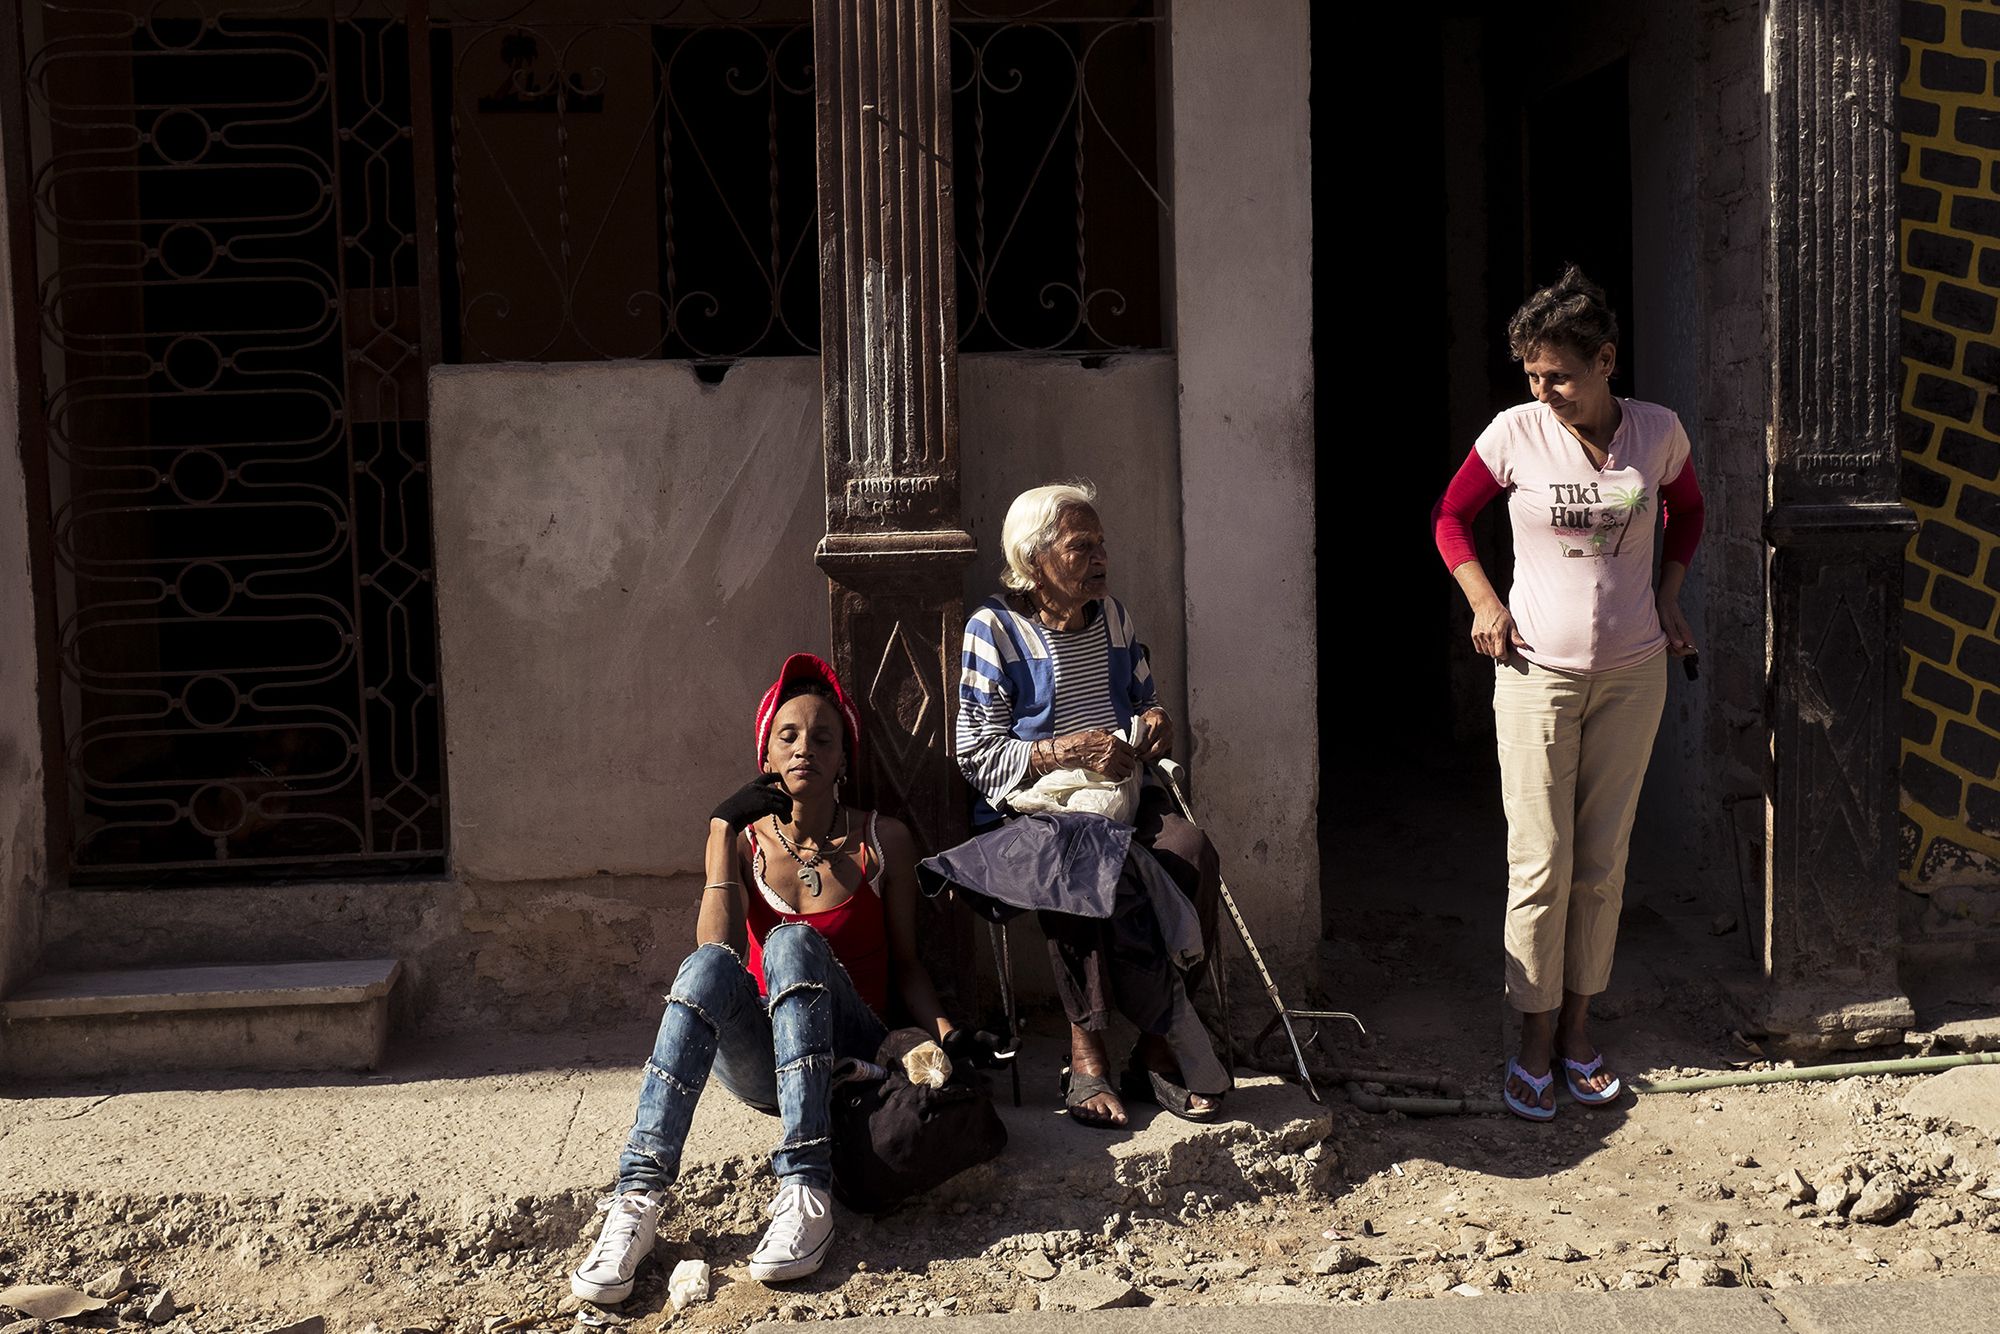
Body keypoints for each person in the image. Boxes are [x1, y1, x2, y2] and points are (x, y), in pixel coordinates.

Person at [569, 654, 970, 1303]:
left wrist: (947, 1036)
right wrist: (720, 831)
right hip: (769, 1067)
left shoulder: (882, 839)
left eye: (823, 738)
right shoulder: (744, 840)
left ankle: (806, 1188)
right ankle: (636, 1202)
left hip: (851, 1049)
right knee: (705, 965)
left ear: (843, 759)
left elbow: (906, 964)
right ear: (766, 754)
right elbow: (716, 954)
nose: (804, 748)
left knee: (791, 939)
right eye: (789, 736)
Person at [1431, 265, 1705, 1122]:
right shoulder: (1514, 434)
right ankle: (1533, 1036)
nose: (1543, 392)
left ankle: (1579, 1032)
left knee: (1602, 863)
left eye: (1559, 375)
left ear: (1606, 361)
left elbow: (1689, 511)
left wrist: (1668, 596)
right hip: (1535, 675)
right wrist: (1485, 602)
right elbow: (1449, 519)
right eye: (1532, 376)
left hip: (1634, 673)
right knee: (1541, 861)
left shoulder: (1657, 432)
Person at [951, 482, 1230, 1129]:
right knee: (1081, 861)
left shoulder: (1114, 617)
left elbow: (1143, 701)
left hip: (1123, 793)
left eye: (1102, 544)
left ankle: (1154, 1049)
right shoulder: (995, 630)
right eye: (1083, 546)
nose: (1101, 557)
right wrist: (1067, 750)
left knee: (1192, 853)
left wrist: (1155, 721)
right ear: (1034, 558)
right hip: (1038, 806)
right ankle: (1088, 1053)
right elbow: (977, 754)